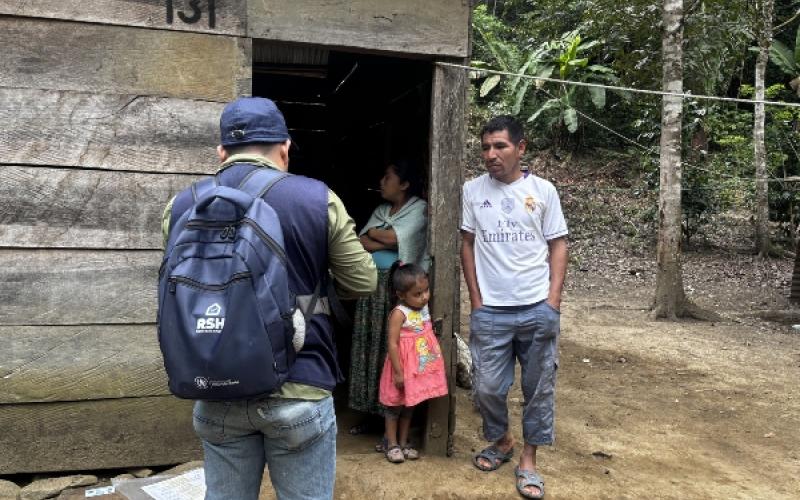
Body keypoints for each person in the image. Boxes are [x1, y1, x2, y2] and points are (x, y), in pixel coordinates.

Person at [161, 97, 377, 500]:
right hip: (300, 384)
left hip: (215, 387)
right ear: (285, 148)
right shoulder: (317, 199)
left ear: (222, 152)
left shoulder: (182, 206)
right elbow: (362, 282)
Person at [460, 115, 568, 499]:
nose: (491, 154)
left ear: (521, 148)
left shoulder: (544, 191)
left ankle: (529, 459)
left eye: (500, 146)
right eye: (486, 147)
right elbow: (467, 243)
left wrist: (552, 301)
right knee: (487, 387)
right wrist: (476, 299)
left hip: (537, 307)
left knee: (538, 389)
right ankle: (502, 439)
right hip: (491, 311)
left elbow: (558, 244)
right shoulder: (472, 191)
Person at [347, 161, 429, 431]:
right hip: (372, 288)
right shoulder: (382, 209)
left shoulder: (418, 208)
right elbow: (361, 241)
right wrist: (376, 236)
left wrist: (377, 234)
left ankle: (391, 416)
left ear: (404, 184)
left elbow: (398, 240)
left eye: (388, 177)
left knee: (393, 349)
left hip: (398, 294)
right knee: (368, 346)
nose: (382, 182)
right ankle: (370, 411)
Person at [378, 262, 448, 463]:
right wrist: (399, 373)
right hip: (401, 367)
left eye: (426, 291)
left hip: (417, 368)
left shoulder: (423, 308)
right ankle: (391, 444)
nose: (424, 297)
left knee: (410, 406)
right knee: (394, 407)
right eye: (418, 294)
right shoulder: (399, 313)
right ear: (401, 295)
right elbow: (392, 344)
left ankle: (404, 442)